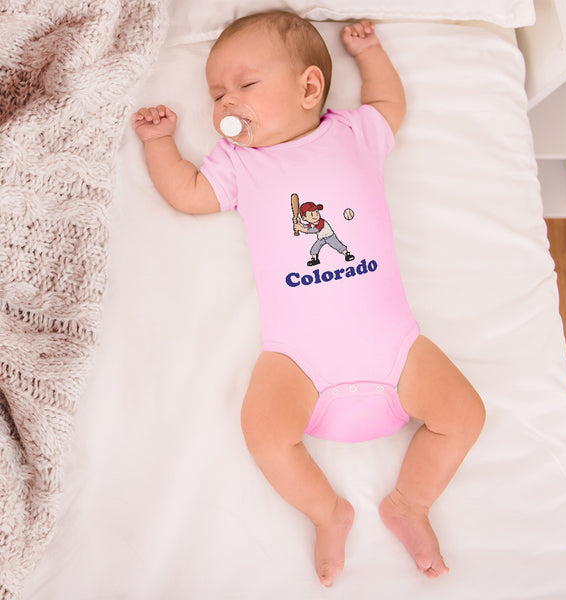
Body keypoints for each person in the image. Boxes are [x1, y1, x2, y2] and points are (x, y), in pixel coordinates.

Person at [132, 10, 485, 588]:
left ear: (310, 87)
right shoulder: (238, 164)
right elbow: (189, 194)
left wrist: (369, 54)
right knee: (264, 432)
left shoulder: (353, 133)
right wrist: (159, 144)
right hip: (300, 362)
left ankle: (411, 504)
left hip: (395, 352)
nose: (225, 103)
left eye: (244, 85)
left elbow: (391, 105)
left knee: (465, 415)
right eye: (216, 93)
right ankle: (328, 512)